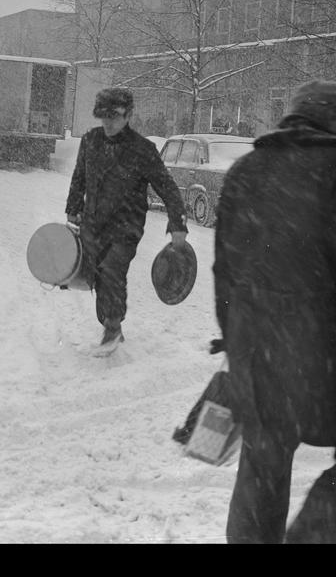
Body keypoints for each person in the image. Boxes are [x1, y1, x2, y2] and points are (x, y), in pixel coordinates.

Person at [212, 79, 336, 543]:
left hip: (260, 362)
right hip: (323, 363)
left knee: (262, 468)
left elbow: (224, 271)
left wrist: (237, 341)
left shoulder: (246, 171)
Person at [65, 87, 188, 353]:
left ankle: (112, 326)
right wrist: (72, 209)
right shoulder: (90, 141)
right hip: (93, 223)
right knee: (96, 274)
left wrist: (178, 224)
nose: (108, 123)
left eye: (114, 117)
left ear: (128, 115)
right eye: (103, 117)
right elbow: (79, 178)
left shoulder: (143, 149)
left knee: (112, 271)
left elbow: (167, 187)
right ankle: (110, 320)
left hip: (126, 227)